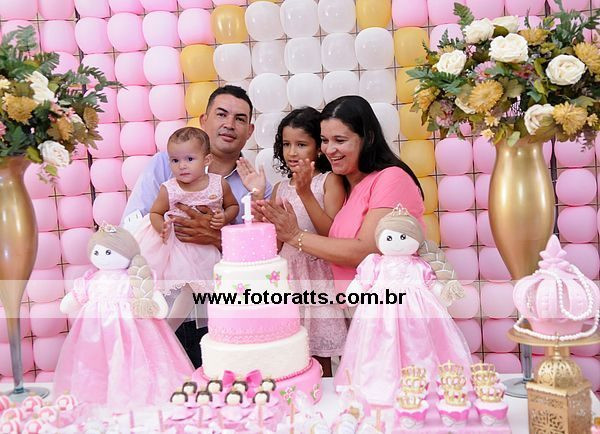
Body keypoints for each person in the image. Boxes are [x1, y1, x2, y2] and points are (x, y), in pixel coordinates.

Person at [122, 85, 271, 368]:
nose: (230, 124)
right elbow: (133, 228)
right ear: (204, 120)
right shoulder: (165, 166)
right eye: (221, 114)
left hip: (226, 309)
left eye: (240, 119)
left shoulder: (255, 185)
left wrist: (218, 236)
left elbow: (262, 257)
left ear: (250, 131)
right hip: (164, 303)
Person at [257, 95, 424, 303]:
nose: (329, 149)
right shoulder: (347, 185)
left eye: (340, 140)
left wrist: (294, 235)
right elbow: (333, 242)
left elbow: (366, 251)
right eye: (325, 140)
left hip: (389, 309)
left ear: (368, 138)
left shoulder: (392, 178)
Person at [133, 127, 239, 331]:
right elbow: (155, 212)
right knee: (174, 284)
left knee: (199, 288)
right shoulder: (169, 188)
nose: (182, 166)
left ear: (206, 160)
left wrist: (224, 217)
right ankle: (161, 324)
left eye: (189, 159)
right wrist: (162, 227)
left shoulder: (218, 184)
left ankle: (172, 327)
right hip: (175, 245)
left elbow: (232, 206)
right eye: (175, 160)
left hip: (205, 247)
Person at [271, 107, 347, 376]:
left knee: (320, 354)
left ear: (318, 148)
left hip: (318, 277)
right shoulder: (280, 188)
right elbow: (276, 243)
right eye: (286, 144)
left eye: (301, 144)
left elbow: (331, 235)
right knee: (292, 354)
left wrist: (305, 193)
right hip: (289, 279)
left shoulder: (329, 182)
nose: (292, 152)